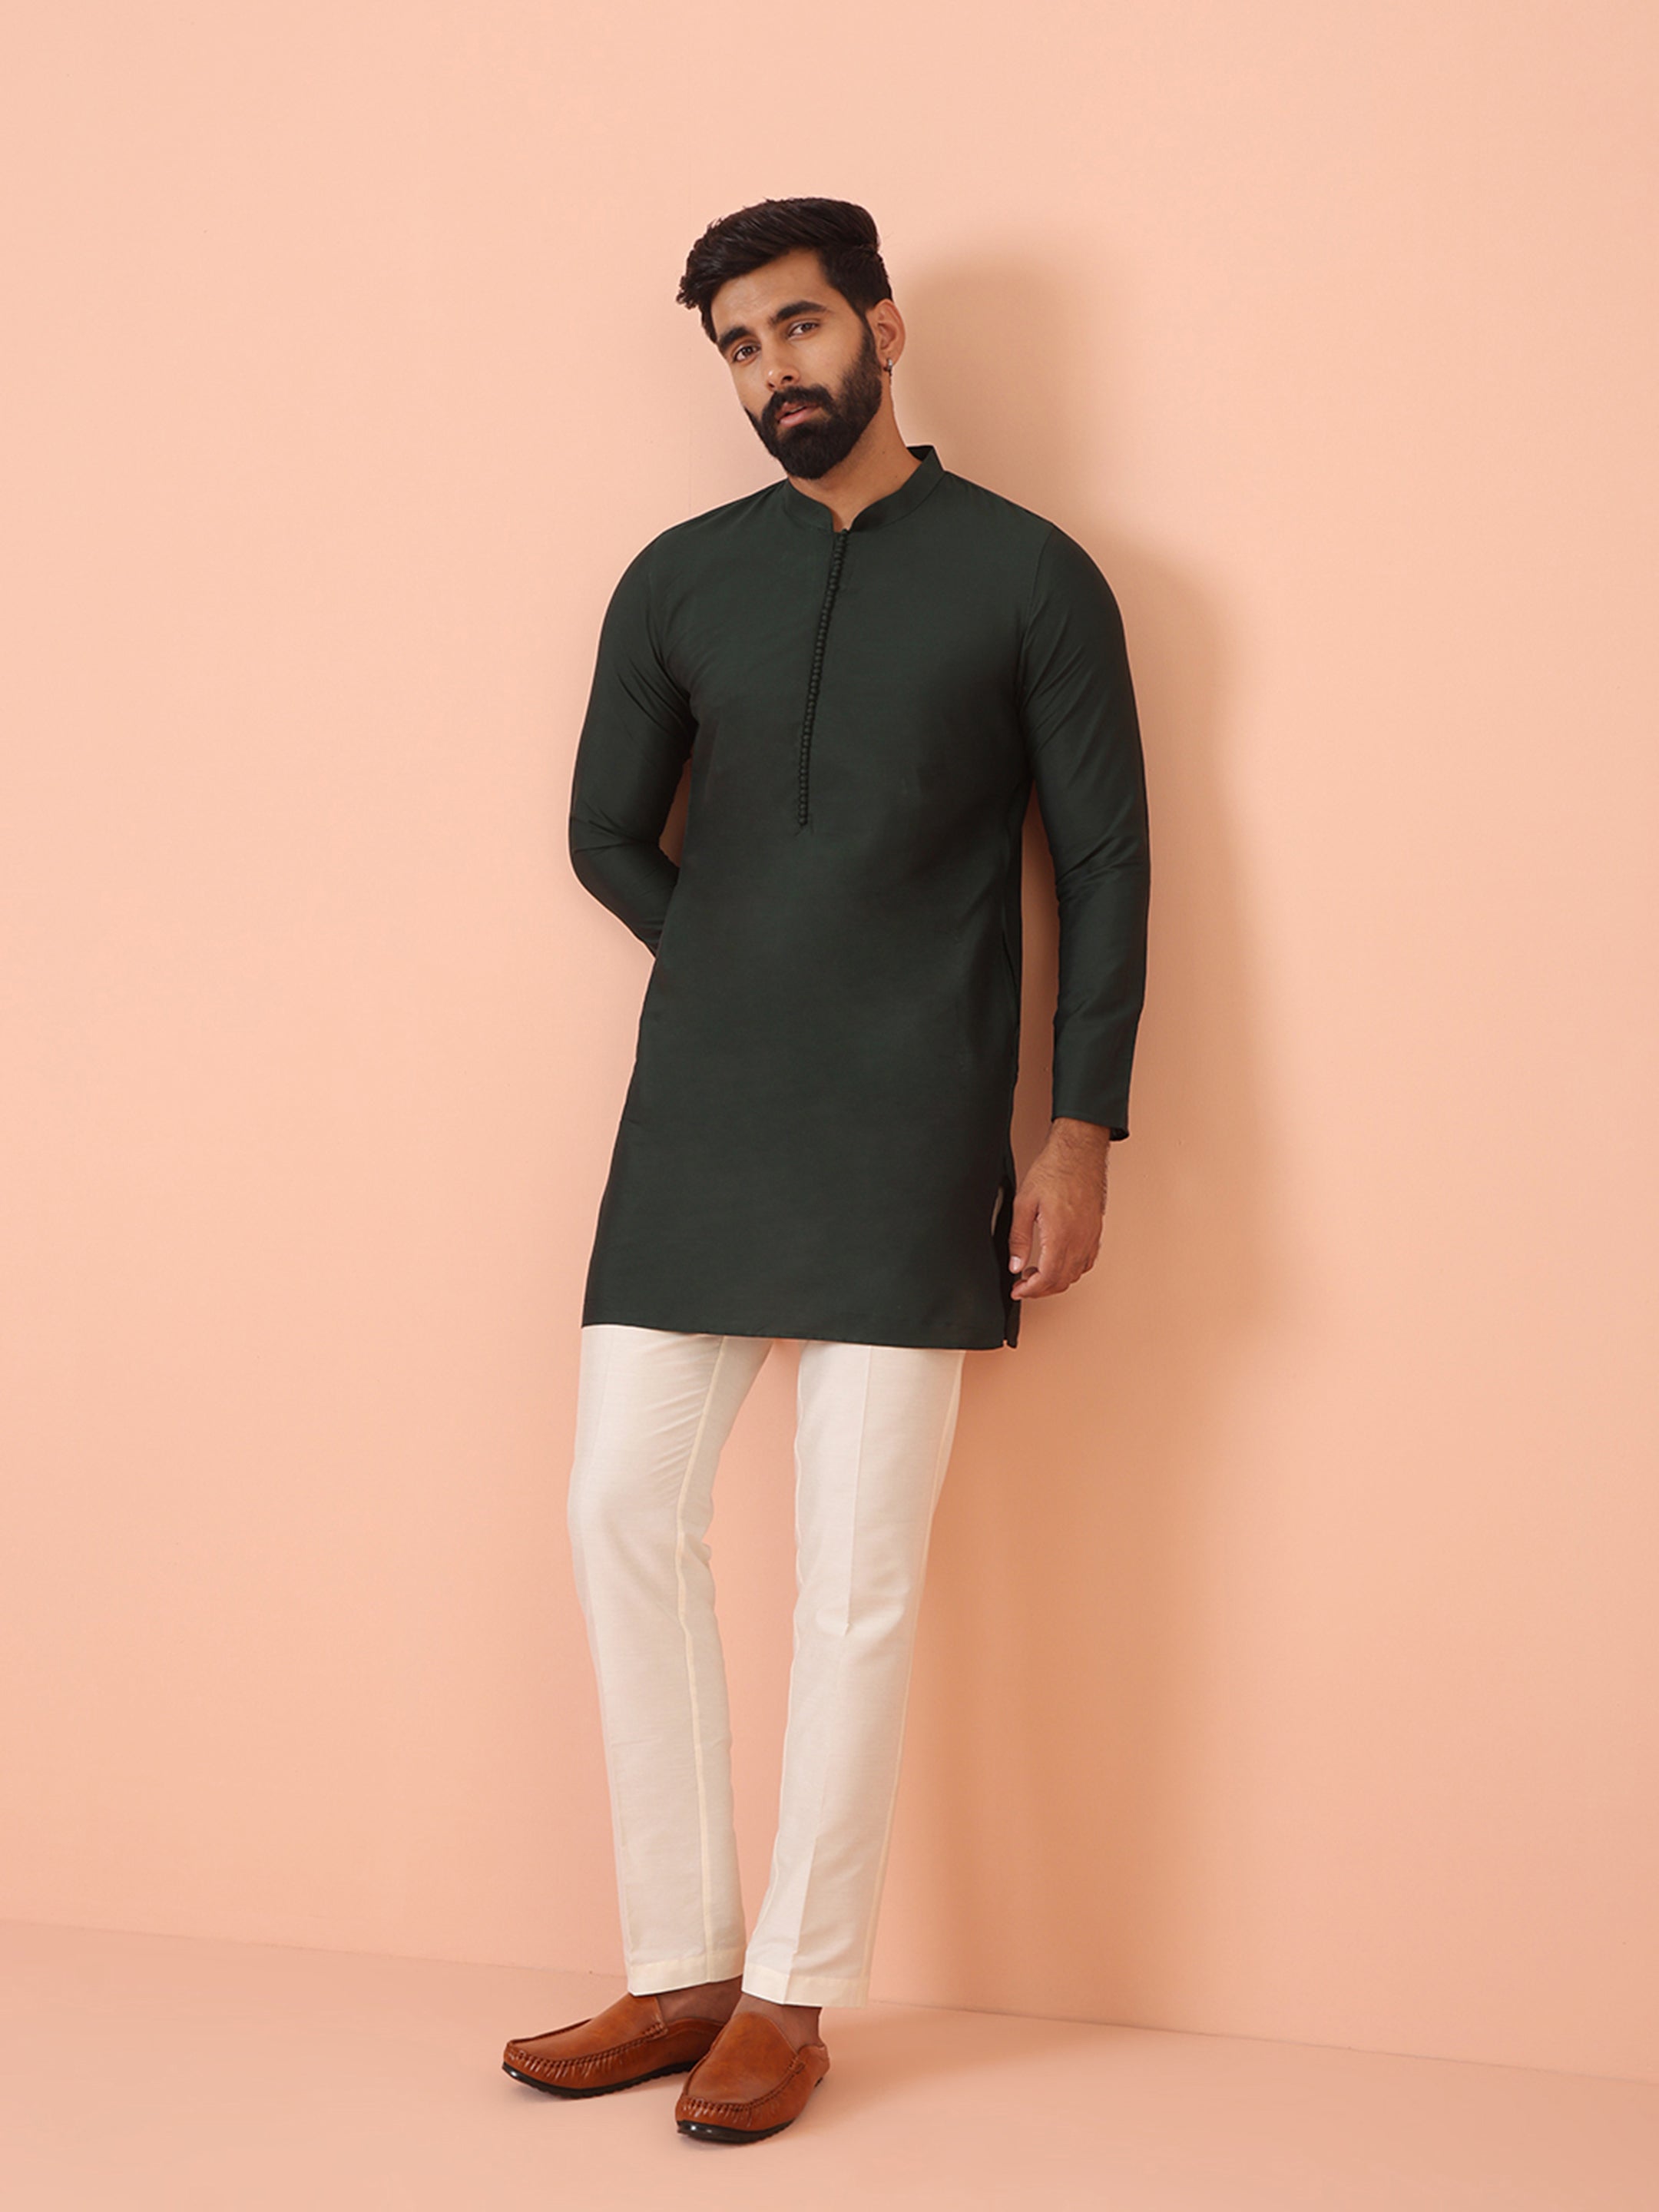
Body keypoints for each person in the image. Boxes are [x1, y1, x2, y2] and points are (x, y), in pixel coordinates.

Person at [502, 196, 1151, 2143]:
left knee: (856, 1578)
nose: (771, 371)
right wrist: (735, 964)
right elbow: (604, 830)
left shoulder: (1030, 576)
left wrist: (1081, 1125)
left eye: (797, 328)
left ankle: (790, 1991)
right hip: (701, 1120)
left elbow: (1106, 863)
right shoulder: (681, 580)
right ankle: (682, 1961)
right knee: (622, 1512)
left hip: (918, 1125)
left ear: (880, 327)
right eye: (737, 346)